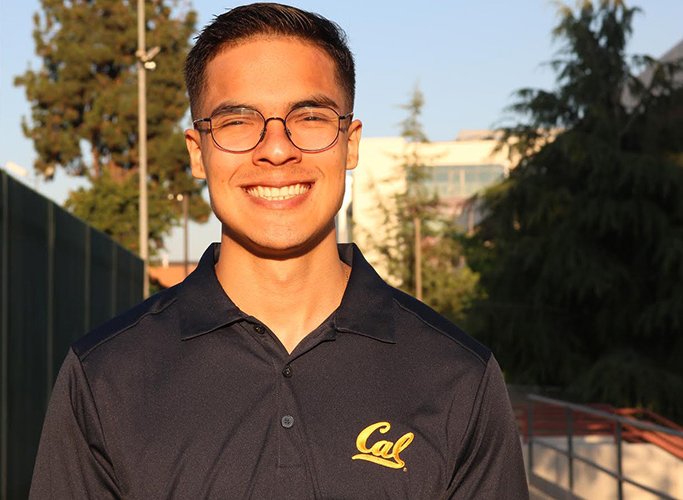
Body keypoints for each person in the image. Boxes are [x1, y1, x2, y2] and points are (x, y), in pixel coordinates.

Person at [29, 3, 529, 499]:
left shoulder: (459, 377)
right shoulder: (104, 378)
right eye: (238, 122)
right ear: (197, 152)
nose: (275, 148)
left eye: (309, 116)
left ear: (349, 144)